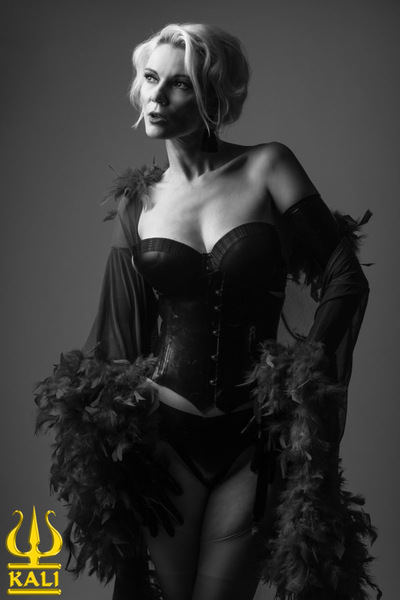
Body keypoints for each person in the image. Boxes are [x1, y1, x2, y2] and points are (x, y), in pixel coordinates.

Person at [35, 23, 380, 600]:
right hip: (163, 440)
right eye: (151, 79)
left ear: (214, 98)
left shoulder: (268, 167)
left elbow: (345, 276)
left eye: (180, 85)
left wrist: (299, 382)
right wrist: (116, 450)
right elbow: (117, 342)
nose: (156, 96)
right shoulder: (139, 203)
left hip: (252, 439)